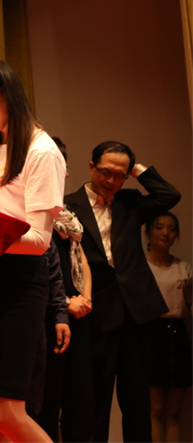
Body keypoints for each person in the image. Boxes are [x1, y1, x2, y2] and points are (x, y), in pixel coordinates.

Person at [0, 56, 66, 443]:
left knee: (7, 411)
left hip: (18, 285)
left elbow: (39, 241)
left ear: (5, 94)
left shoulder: (42, 150)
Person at [64, 140, 180, 442]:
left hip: (137, 311)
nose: (112, 181)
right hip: (96, 310)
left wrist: (137, 169)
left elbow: (170, 195)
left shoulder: (130, 201)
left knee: (138, 399)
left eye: (120, 175)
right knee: (95, 398)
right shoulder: (68, 205)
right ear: (92, 167)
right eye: (106, 172)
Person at [35, 136, 95, 442]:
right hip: (49, 314)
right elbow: (39, 269)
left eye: (64, 165)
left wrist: (86, 298)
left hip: (77, 313)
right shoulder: (32, 210)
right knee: (47, 400)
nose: (66, 172)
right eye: (59, 165)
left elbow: (80, 257)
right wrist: (64, 303)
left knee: (80, 399)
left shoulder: (68, 214)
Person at [144, 212, 192, 443]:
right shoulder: (140, 266)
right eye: (159, 227)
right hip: (149, 335)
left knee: (173, 411)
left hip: (178, 336)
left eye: (172, 229)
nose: (166, 233)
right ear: (148, 233)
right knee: (154, 408)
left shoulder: (185, 269)